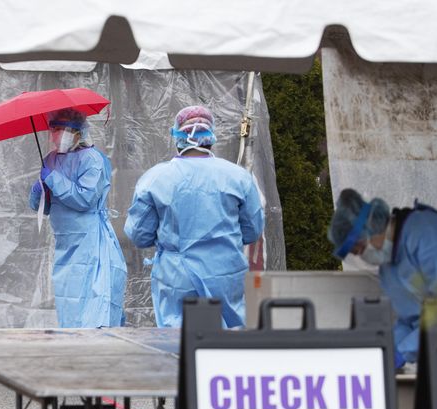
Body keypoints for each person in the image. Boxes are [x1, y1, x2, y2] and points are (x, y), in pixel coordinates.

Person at [124, 105, 264, 328]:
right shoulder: (238, 177)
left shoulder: (156, 179)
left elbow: (139, 235)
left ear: (177, 136)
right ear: (211, 136)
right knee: (230, 341)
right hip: (225, 273)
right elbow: (252, 230)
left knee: (178, 343)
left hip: (177, 277)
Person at [29, 108, 127, 327]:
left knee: (92, 302)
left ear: (78, 131)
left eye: (64, 129)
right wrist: (38, 191)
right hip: (65, 243)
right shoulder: (50, 160)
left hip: (89, 242)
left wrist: (53, 180)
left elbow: (86, 199)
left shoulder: (92, 159)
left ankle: (97, 350)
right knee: (69, 303)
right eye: (54, 128)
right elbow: (44, 208)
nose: (58, 134)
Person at [328, 188, 437, 369]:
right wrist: (384, 350)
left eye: (361, 248)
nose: (363, 257)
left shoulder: (424, 233)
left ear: (372, 226)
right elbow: (411, 320)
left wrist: (402, 351)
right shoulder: (388, 270)